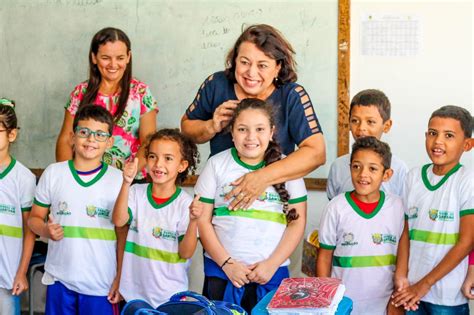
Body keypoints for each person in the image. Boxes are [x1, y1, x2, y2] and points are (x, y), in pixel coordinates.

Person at [181, 24, 325, 210]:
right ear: (234, 61)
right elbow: (186, 127)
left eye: (263, 65)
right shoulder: (216, 84)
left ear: (277, 68)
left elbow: (316, 153)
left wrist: (261, 177)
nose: (251, 72)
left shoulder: (292, 95)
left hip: (272, 203)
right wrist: (212, 126)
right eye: (244, 62)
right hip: (221, 199)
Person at [196, 98, 307, 313]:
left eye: (259, 129)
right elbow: (203, 220)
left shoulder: (288, 169)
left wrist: (272, 264)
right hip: (223, 275)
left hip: (271, 275)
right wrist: (227, 264)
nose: (251, 137)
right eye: (242, 129)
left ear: (272, 131)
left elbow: (297, 223)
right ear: (231, 131)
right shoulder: (216, 165)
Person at [28, 105, 123, 315]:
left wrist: (120, 277)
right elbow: (34, 218)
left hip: (101, 284)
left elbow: (123, 233)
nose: (91, 140)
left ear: (109, 142)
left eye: (99, 135)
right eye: (84, 132)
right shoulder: (54, 173)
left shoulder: (118, 180)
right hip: (59, 279)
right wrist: (45, 230)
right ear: (72, 137)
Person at [392, 105, 473, 314]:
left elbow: (467, 242)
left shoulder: (467, 181)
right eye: (432, 133)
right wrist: (401, 276)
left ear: (467, 144)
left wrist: (425, 284)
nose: (438, 141)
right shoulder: (413, 177)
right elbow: (405, 232)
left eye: (449, 136)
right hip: (411, 292)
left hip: (447, 296)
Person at [112, 128, 201, 308]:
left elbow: (186, 253)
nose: (158, 164)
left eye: (168, 158)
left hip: (169, 297)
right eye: (153, 157)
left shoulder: (185, 204)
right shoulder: (136, 192)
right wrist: (126, 183)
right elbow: (119, 220)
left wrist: (193, 222)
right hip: (133, 294)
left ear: (182, 165)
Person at [317, 136, 405, 315]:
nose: (363, 174)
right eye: (356, 166)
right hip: (343, 304)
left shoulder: (398, 207)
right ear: (349, 168)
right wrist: (326, 301)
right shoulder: (335, 207)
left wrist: (397, 299)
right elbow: (324, 257)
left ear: (386, 175)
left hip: (383, 304)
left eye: (372, 169)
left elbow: (404, 255)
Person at [56, 27, 157, 180]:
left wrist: (127, 174)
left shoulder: (141, 92)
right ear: (94, 57)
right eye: (106, 57)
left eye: (120, 58)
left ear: (129, 57)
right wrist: (70, 178)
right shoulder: (80, 93)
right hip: (86, 177)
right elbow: (65, 139)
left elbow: (149, 142)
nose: (113, 64)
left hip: (130, 181)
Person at [327, 89, 408, 200]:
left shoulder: (399, 169)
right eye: (355, 121)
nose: (361, 128)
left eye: (370, 122)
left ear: (387, 125)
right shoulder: (338, 167)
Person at [0, 99, 36, 315]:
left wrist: (22, 272)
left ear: (11, 135)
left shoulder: (23, 178)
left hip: (7, 273)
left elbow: (30, 230)